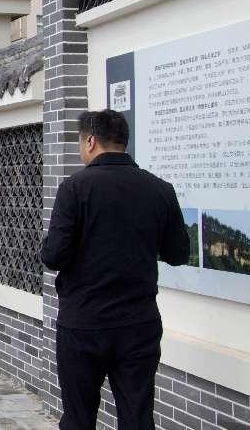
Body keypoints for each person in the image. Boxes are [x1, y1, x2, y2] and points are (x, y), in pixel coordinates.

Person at [41, 109, 190, 430]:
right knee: (137, 418)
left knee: (78, 419)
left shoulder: (74, 188)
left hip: (83, 323)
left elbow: (54, 256)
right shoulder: (160, 189)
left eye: (80, 142)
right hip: (138, 324)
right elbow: (178, 253)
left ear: (91, 141)